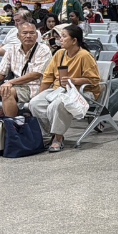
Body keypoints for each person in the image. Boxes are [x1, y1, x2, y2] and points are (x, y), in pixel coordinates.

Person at [28, 25, 101, 153]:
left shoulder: (84, 55)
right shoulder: (59, 54)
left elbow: (94, 80)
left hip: (82, 92)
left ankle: (58, 137)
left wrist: (74, 80)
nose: (60, 39)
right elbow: (48, 77)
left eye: (64, 36)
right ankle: (47, 135)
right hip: (59, 90)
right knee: (35, 103)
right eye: (60, 36)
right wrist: (40, 94)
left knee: (58, 104)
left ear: (74, 40)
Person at [0, 21, 52, 118]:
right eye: (25, 33)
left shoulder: (44, 50)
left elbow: (36, 74)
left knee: (7, 91)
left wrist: (10, 82)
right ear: (18, 36)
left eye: (32, 33)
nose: (28, 36)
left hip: (33, 87)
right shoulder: (12, 49)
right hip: (14, 86)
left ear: (36, 36)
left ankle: (11, 125)